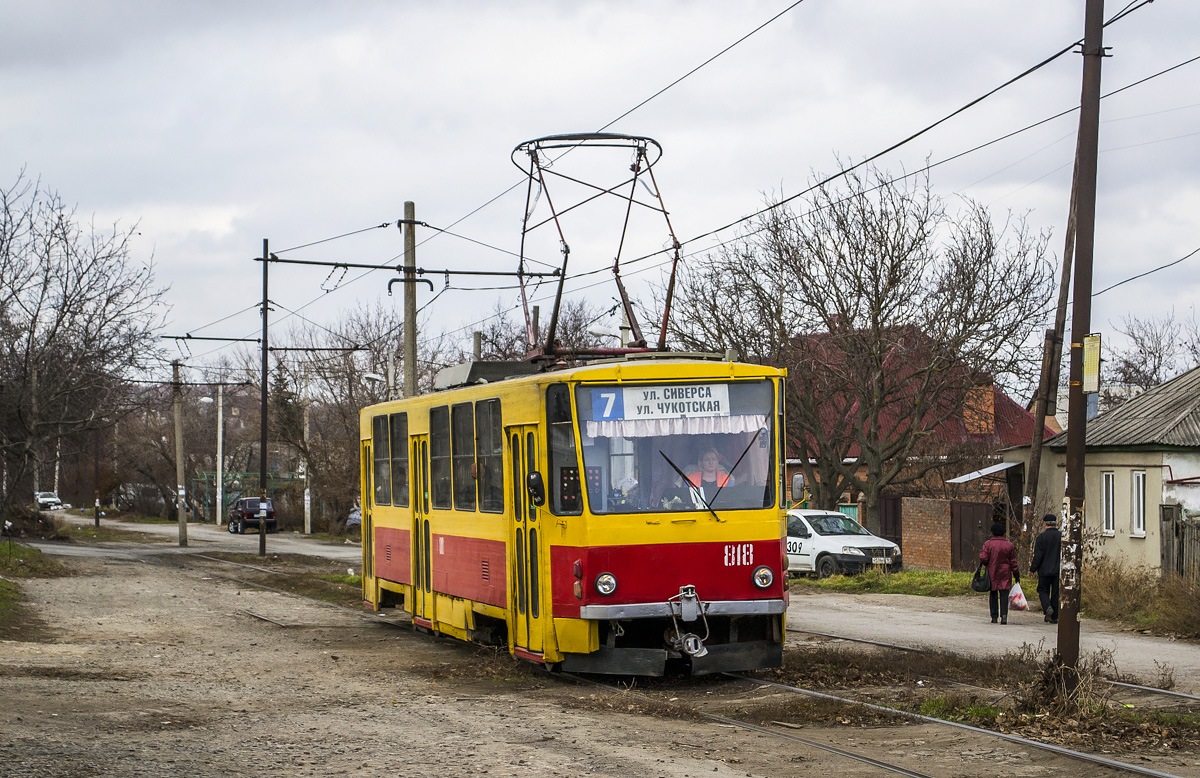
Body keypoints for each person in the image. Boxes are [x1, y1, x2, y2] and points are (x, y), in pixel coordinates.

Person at [978, 521, 1019, 624]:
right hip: (1005, 572)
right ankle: (1004, 615)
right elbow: (1013, 562)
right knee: (1004, 593)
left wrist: (985, 562)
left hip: (992, 571)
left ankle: (994, 616)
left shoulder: (988, 544)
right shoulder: (1009, 545)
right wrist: (1016, 575)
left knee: (993, 593)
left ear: (992, 532)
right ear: (1004, 533)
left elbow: (984, 557)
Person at [1030, 512, 1062, 624]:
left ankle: (1047, 607)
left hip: (1044, 570)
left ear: (1045, 524)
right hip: (1058, 570)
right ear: (1055, 523)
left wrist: (1033, 569)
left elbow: (1038, 556)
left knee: (1042, 590)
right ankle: (1054, 617)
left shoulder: (1041, 537)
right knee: (1055, 593)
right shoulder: (1061, 536)